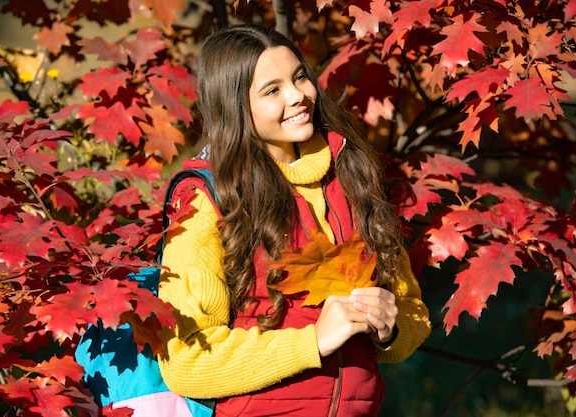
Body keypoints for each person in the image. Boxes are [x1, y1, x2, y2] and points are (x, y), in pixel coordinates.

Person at [157, 24, 431, 417]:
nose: (299, 96)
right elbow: (186, 359)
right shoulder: (211, 199)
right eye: (272, 90)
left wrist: (391, 327)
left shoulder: (351, 173)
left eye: (300, 77)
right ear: (236, 105)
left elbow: (412, 311)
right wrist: (312, 342)